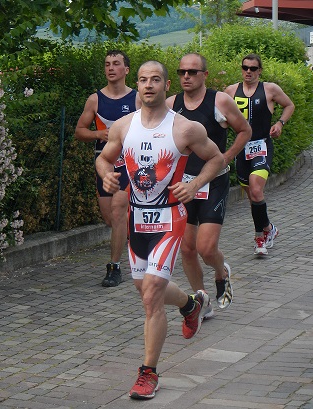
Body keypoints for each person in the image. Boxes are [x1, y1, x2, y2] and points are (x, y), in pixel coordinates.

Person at [96, 60, 224, 399]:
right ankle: (189, 305)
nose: (148, 85)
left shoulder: (185, 128)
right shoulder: (123, 126)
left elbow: (217, 158)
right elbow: (105, 158)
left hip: (169, 219)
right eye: (142, 80)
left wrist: (194, 182)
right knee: (146, 290)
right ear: (136, 86)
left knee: (151, 295)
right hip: (137, 221)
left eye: (155, 80)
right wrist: (107, 172)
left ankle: (148, 373)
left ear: (167, 86)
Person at [166, 53, 251, 313]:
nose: (186, 76)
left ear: (204, 74)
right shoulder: (171, 104)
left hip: (213, 182)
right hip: (183, 186)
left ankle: (220, 269)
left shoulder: (220, 101)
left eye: (192, 72)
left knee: (206, 248)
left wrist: (225, 157)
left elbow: (245, 130)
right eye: (182, 72)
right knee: (188, 249)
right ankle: (201, 301)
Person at [75, 50, 141, 287]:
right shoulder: (95, 100)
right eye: (107, 64)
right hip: (104, 163)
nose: (111, 68)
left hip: (130, 164)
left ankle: (114, 267)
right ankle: (138, 238)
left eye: (116, 64)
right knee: (110, 217)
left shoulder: (137, 98)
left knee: (118, 209)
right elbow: (79, 131)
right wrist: (97, 133)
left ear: (126, 70)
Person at [225, 53, 295, 255]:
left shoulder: (270, 89)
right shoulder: (231, 91)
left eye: (253, 68)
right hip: (240, 148)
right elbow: (219, 113)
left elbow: (289, 105)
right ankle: (268, 230)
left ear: (259, 71)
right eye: (245, 67)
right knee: (253, 198)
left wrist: (280, 123)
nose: (248, 71)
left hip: (262, 145)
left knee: (256, 190)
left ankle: (259, 239)